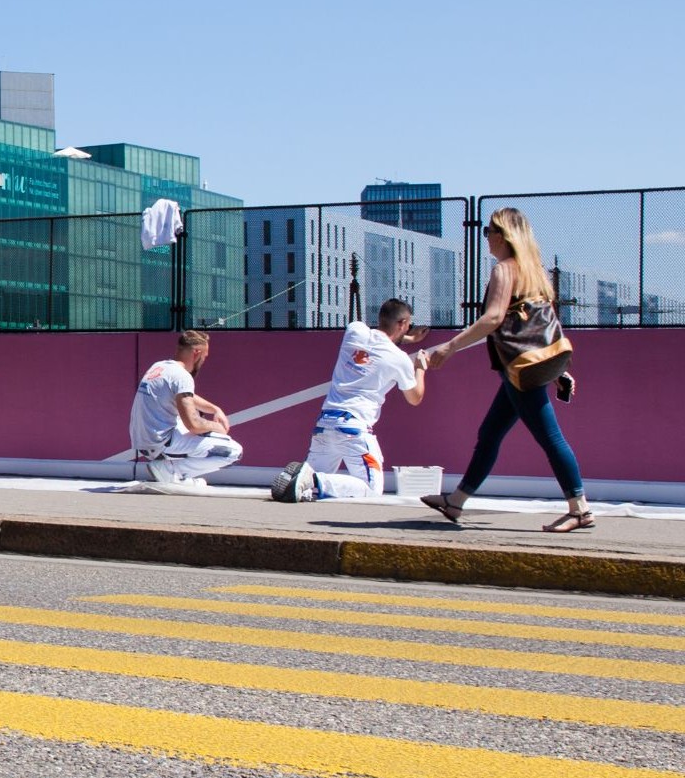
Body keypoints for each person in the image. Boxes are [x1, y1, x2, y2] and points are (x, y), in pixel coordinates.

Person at [418, 206, 590, 533]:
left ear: (503, 236)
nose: (486, 238)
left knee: (551, 437)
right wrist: (558, 369)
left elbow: (493, 318)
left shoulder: (504, 271)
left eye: (488, 232)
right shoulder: (535, 272)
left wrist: (449, 346)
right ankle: (456, 502)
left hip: (519, 371)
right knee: (490, 434)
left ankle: (579, 508)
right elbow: (546, 327)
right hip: (522, 369)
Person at [270, 298, 427, 502]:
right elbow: (415, 398)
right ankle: (315, 480)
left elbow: (377, 343)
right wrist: (421, 369)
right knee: (371, 490)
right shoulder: (400, 359)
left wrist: (405, 338)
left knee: (302, 488)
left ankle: (306, 479)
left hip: (325, 424)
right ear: (403, 323)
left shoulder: (355, 331)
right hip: (354, 430)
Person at [128, 329, 242, 489]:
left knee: (190, 415)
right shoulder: (182, 376)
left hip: (142, 439)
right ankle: (171, 471)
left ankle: (174, 475)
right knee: (234, 451)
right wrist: (218, 428)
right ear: (197, 353)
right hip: (159, 442)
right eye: (205, 356)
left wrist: (215, 409)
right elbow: (193, 425)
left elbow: (185, 395)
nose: (204, 361)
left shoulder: (160, 367)